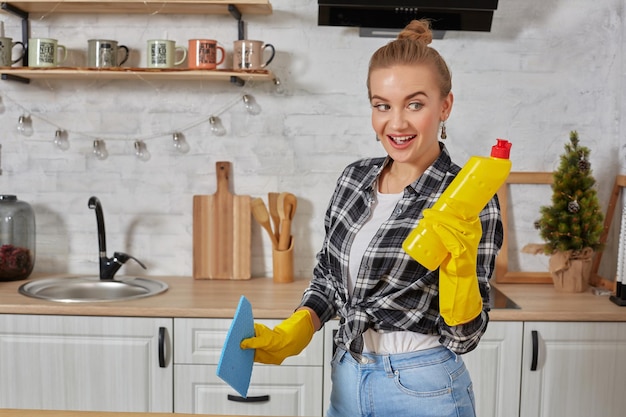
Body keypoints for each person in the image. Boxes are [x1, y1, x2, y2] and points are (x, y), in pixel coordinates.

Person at [241, 19, 503, 417]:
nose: (396, 123)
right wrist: (299, 325)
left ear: (445, 106)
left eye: (415, 104)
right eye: (383, 105)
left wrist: (459, 275)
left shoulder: (467, 196)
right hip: (348, 373)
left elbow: (465, 338)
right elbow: (329, 275)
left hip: (423, 385)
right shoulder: (354, 178)